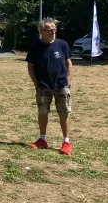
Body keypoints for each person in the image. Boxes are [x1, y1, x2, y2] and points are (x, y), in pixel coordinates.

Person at [26, 18, 73, 155]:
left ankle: (66, 142)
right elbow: (30, 66)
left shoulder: (62, 44)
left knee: (63, 114)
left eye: (54, 29)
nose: (53, 31)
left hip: (61, 86)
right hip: (43, 87)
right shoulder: (36, 45)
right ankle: (42, 140)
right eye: (50, 29)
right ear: (42, 32)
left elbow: (69, 63)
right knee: (43, 112)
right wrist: (36, 84)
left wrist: (68, 82)